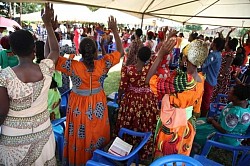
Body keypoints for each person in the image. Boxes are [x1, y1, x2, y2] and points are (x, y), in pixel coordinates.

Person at [55, 16, 123, 165]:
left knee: (80, 135)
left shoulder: (73, 66)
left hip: (79, 105)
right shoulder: (103, 64)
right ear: (95, 51)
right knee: (97, 133)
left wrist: (51, 28)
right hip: (98, 102)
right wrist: (115, 30)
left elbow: (53, 56)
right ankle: (97, 162)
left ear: (79, 50)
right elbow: (121, 52)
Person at [0, 3, 59, 165]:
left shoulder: (4, 76)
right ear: (34, 48)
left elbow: (1, 112)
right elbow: (55, 50)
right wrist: (48, 25)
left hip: (13, 138)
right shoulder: (46, 69)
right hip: (44, 132)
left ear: (12, 51)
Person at [146, 35, 208, 158]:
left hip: (172, 128)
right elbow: (197, 110)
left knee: (164, 157)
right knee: (179, 158)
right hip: (188, 127)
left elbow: (149, 80)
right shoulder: (200, 79)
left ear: (185, 59)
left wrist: (160, 56)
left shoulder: (180, 81)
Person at [115, 46, 159, 162]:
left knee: (129, 123)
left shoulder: (128, 69)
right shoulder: (150, 68)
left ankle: (126, 148)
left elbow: (122, 88)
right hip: (147, 101)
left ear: (137, 55)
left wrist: (119, 99)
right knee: (145, 123)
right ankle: (143, 149)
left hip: (131, 101)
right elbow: (158, 56)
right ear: (148, 58)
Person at [36, 40, 62, 120]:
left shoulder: (33, 66)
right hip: (52, 93)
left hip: (40, 96)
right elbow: (59, 82)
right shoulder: (51, 64)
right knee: (55, 119)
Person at [211, 29, 238, 103]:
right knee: (216, 88)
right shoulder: (227, 52)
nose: (225, 44)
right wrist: (227, 33)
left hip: (223, 74)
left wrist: (221, 75)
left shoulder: (230, 54)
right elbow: (225, 40)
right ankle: (214, 101)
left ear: (229, 45)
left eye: (226, 44)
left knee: (221, 88)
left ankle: (219, 102)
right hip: (220, 72)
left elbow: (227, 66)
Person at [201, 37, 225, 117]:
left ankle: (203, 117)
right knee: (206, 98)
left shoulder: (213, 55)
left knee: (205, 99)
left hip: (208, 80)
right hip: (212, 80)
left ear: (214, 44)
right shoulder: (218, 54)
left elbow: (203, 64)